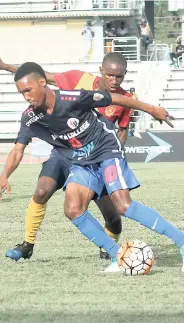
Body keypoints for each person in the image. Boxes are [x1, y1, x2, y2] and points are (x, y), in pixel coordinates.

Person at [5, 62, 184, 274]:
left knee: (123, 206)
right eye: (21, 93)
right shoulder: (30, 117)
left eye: (28, 90)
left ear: (43, 83)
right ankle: (118, 255)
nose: (26, 96)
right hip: (82, 160)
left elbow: (115, 98)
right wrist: (4, 175)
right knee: (73, 209)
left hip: (106, 150)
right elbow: (18, 149)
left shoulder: (71, 98)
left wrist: (153, 109)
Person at [0, 53, 132, 261]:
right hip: (63, 152)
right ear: (101, 71)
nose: (114, 80)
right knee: (42, 190)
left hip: (95, 157)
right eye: (110, 75)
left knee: (113, 218)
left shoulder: (124, 100)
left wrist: (113, 155)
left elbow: (122, 129)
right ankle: (27, 244)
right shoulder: (78, 79)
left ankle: (108, 247)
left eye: (119, 76)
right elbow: (39, 77)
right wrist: (7, 66)